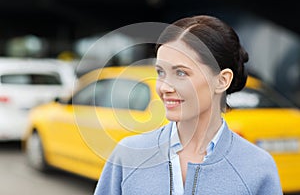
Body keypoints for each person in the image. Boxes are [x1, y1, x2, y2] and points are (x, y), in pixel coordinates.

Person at [94, 15, 282, 195]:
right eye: (160, 72)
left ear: (222, 80)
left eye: (181, 73)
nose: (165, 87)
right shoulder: (127, 155)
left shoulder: (258, 167)